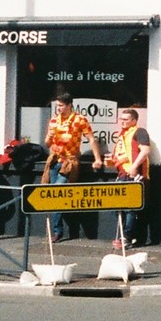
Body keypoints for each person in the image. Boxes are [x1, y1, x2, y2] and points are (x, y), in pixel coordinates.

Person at [41, 93, 102, 242]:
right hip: (55, 161)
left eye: (61, 105)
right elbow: (48, 143)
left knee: (56, 191)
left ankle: (57, 231)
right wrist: (49, 137)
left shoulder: (79, 120)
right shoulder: (54, 120)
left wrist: (98, 158)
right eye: (58, 105)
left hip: (69, 162)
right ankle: (57, 229)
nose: (59, 108)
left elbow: (91, 139)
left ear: (69, 105)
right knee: (54, 194)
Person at [107, 107, 151, 246]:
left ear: (134, 121)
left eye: (126, 119)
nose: (122, 122)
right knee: (118, 207)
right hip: (122, 174)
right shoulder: (123, 134)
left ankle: (126, 237)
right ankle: (123, 235)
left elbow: (145, 151)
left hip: (135, 175)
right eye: (121, 119)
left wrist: (134, 166)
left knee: (130, 208)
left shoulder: (140, 132)